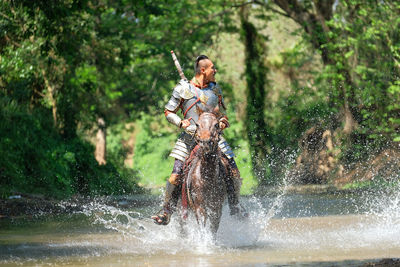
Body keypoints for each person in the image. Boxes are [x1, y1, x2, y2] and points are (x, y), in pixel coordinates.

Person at [151, 55, 245, 225]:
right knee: (175, 176)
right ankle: (167, 211)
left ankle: (235, 205)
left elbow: (220, 114)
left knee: (234, 172)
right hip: (190, 136)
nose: (215, 71)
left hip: (214, 137)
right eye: (212, 68)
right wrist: (181, 122)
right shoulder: (182, 89)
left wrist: (222, 121)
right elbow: (168, 111)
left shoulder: (216, 90)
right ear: (203, 70)